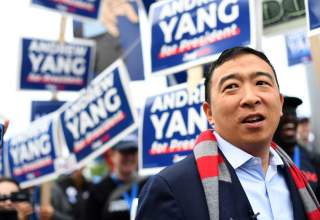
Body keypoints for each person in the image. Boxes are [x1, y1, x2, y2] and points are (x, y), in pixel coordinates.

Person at [136, 46, 320, 220]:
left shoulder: (300, 179)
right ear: (209, 113)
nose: (250, 98)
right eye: (231, 86)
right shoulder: (171, 189)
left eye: (262, 83)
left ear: (280, 103)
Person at [86, 138, 147, 220]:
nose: (129, 157)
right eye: (124, 152)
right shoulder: (98, 190)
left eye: (133, 152)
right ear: (112, 155)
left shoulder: (146, 184)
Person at [273, 96, 319, 196]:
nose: (290, 118)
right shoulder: (263, 161)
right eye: (284, 113)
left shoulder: (313, 159)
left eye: (293, 114)